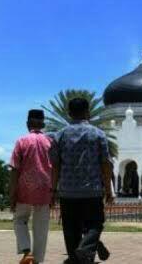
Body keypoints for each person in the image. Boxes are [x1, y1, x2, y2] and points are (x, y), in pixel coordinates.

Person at [51, 98, 114, 264]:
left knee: (71, 229)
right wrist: (108, 190)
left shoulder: (60, 135)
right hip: (91, 191)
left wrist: (53, 190)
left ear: (69, 113)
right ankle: (86, 249)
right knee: (95, 224)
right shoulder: (98, 134)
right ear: (88, 112)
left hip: (67, 191)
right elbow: (105, 164)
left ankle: (75, 257)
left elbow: (55, 165)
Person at [9, 110, 53, 264]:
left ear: (28, 124)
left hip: (24, 190)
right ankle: (37, 260)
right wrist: (55, 191)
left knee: (20, 220)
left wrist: (12, 194)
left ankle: (27, 252)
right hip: (45, 190)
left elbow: (14, 169)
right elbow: (56, 168)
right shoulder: (50, 142)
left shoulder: (21, 141)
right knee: (41, 228)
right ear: (43, 124)